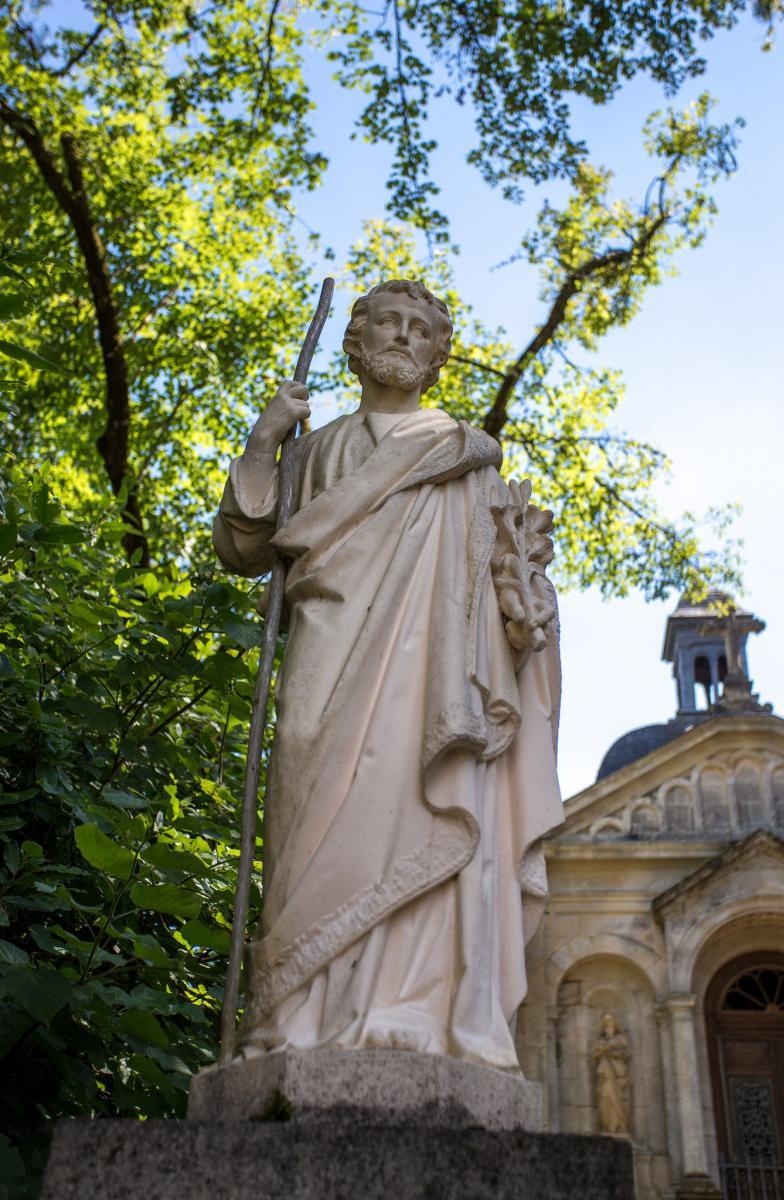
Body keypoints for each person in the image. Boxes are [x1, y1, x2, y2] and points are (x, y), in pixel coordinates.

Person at [213, 279, 563, 1071]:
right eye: (388, 324)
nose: (404, 338)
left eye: (421, 332)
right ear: (353, 343)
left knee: (418, 806)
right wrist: (264, 443)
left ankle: (411, 1006)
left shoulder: (463, 457)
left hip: (434, 675)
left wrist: (524, 611)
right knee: (308, 816)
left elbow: (508, 580)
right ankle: (295, 1015)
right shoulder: (316, 447)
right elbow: (241, 550)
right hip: (327, 659)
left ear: (438, 359)